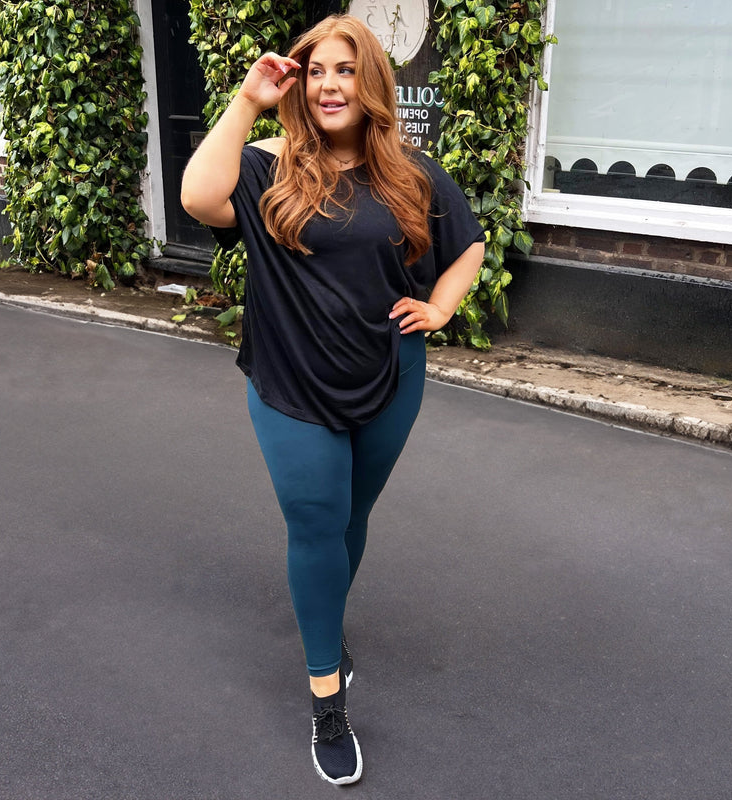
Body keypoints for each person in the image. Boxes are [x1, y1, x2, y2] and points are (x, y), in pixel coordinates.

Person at [181, 13, 485, 785]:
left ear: (369, 81)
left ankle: (326, 627)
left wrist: (441, 307)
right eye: (315, 71)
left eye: (344, 70)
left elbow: (470, 244)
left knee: (352, 516)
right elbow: (198, 199)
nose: (328, 84)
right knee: (316, 521)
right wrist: (247, 100)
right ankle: (327, 698)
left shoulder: (411, 173)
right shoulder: (267, 164)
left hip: (391, 375)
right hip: (290, 379)